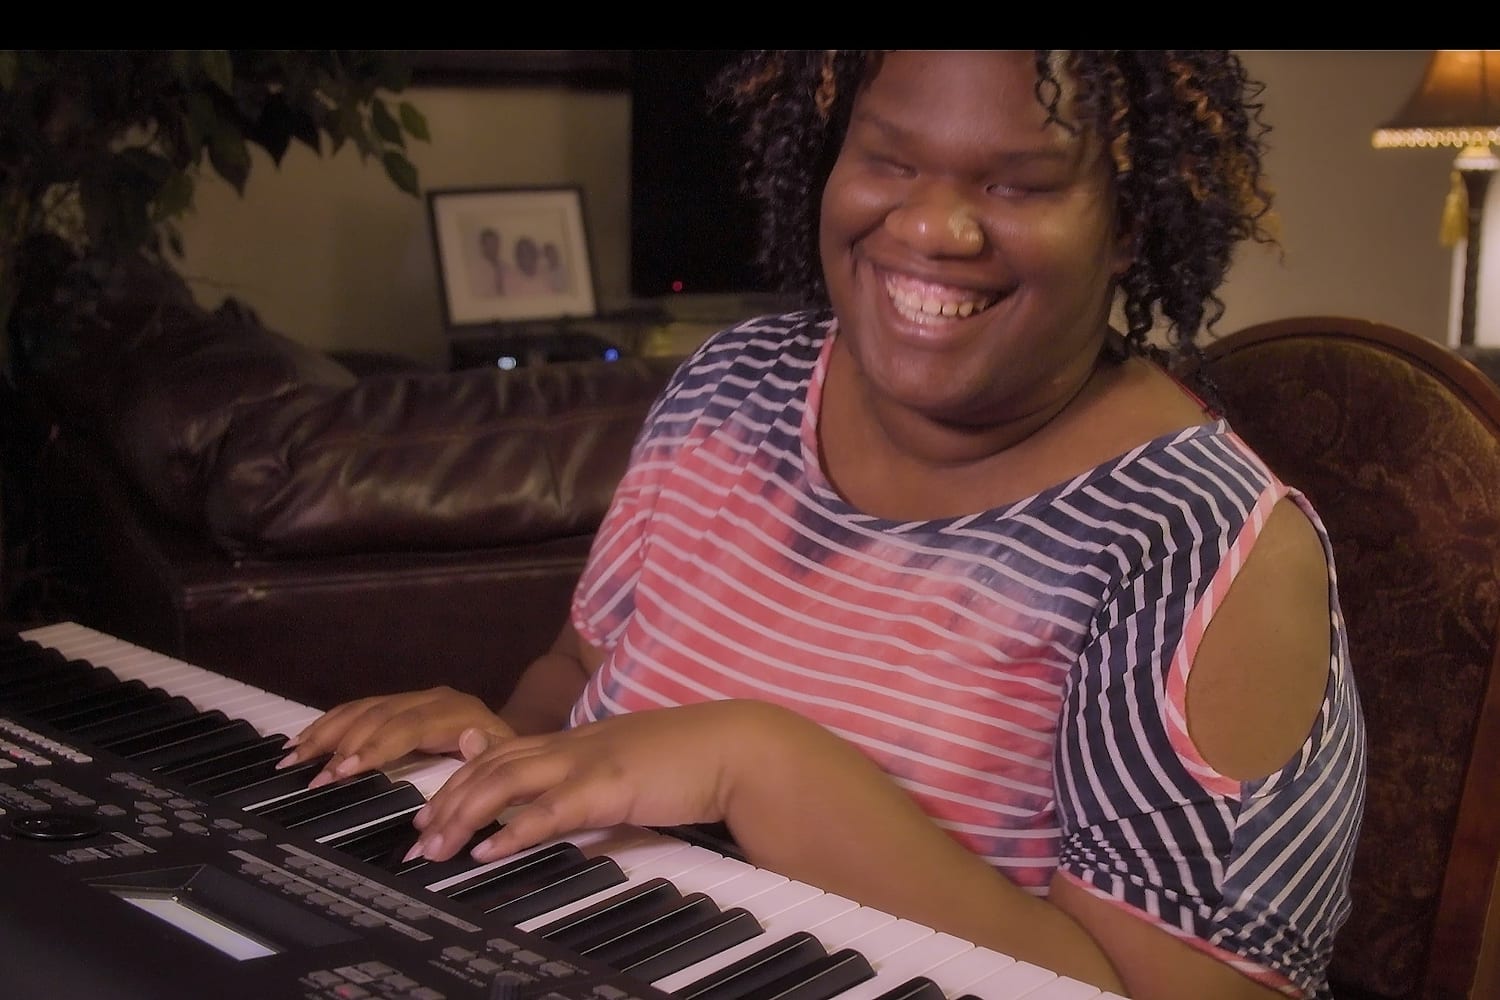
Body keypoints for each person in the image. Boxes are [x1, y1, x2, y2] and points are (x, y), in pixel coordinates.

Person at [280, 51, 1365, 999]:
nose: (934, 227)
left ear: (1128, 222)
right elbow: (577, 677)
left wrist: (757, 763)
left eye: (1017, 181)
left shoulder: (1197, 546)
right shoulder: (731, 388)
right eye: (889, 160)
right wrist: (488, 755)